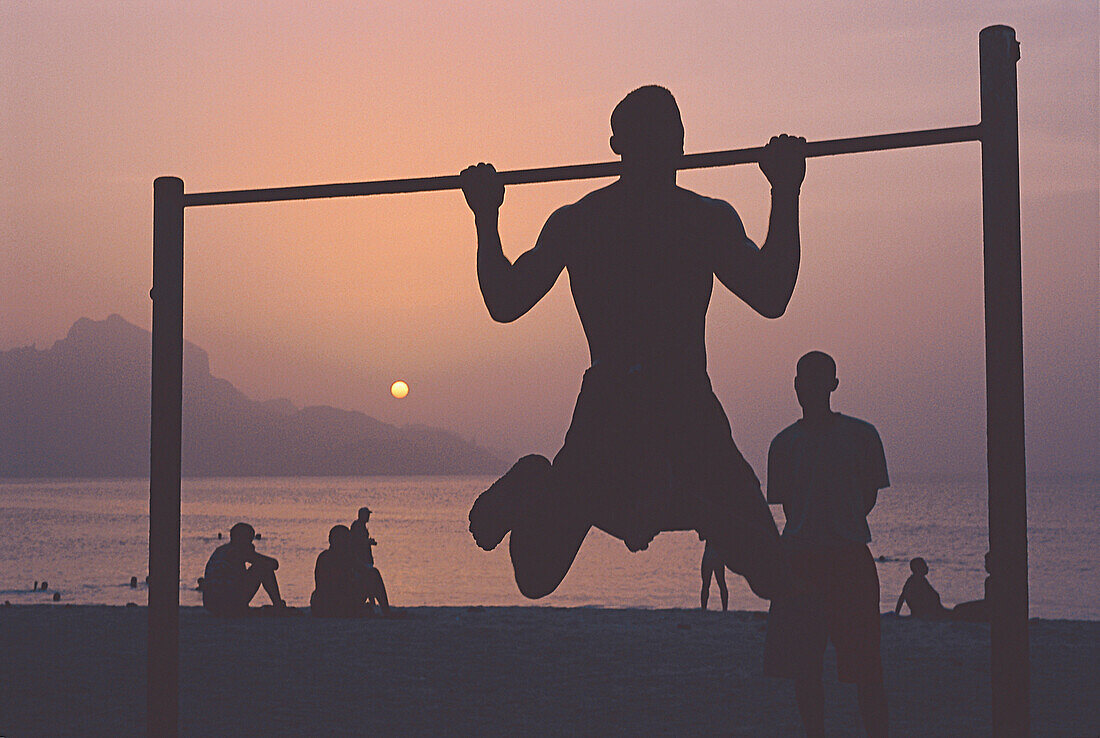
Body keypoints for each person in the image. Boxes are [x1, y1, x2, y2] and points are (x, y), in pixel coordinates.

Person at [460, 85, 806, 600]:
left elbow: (506, 301)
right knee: (536, 577)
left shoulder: (584, 220)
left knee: (537, 574)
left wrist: (487, 217)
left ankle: (575, 488)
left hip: (633, 411)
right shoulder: (695, 218)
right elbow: (772, 293)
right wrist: (784, 191)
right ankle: (675, 502)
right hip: (667, 409)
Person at [763, 351, 890, 738]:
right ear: (796, 385)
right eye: (804, 380)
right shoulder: (783, 444)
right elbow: (787, 503)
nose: (810, 388)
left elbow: (868, 494)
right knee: (806, 668)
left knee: (865, 668)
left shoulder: (862, 435)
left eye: (819, 380)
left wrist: (837, 524)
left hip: (847, 558)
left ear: (833, 384)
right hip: (803, 560)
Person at [202, 522, 286, 617]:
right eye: (250, 540)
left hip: (211, 605)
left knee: (260, 566)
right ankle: (278, 606)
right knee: (263, 569)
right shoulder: (238, 551)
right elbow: (273, 564)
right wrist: (252, 553)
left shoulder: (221, 550)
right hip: (226, 604)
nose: (251, 543)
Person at [311, 525, 390, 617]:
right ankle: (386, 612)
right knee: (374, 574)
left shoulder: (336, 556)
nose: (348, 542)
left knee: (372, 574)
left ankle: (383, 611)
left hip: (329, 604)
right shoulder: (334, 558)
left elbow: (362, 571)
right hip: (334, 604)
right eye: (346, 539)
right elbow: (332, 586)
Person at [700, 537, 728, 611]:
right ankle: (724, 609)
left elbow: (701, 537)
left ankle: (704, 609)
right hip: (718, 553)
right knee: (721, 583)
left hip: (710, 552)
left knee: (706, 584)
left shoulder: (709, 527)